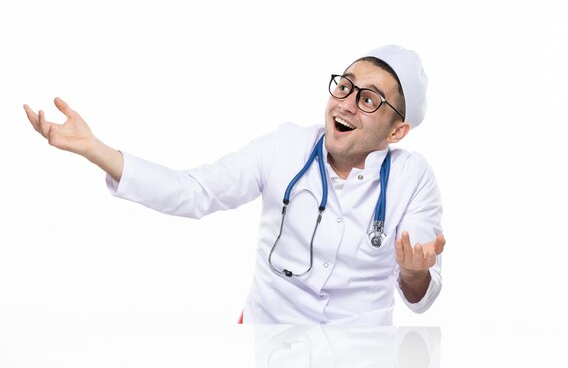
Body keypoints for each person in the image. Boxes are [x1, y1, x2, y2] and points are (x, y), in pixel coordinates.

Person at [24, 44, 446, 325]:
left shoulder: (413, 179)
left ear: (396, 133)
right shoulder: (283, 147)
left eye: (368, 99)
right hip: (266, 343)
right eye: (345, 86)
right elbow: (193, 192)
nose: (346, 104)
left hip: (361, 355)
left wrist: (413, 273)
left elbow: (420, 297)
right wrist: (95, 149)